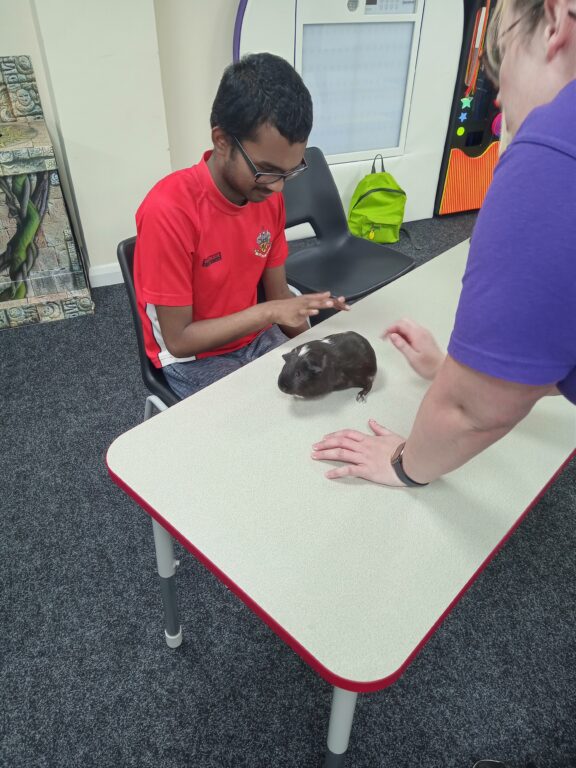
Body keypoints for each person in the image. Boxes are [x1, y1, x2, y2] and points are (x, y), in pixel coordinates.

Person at [311, 0, 576, 491]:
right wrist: (450, 369)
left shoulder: (552, 155)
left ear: (555, 21)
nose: (497, 99)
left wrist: (402, 464)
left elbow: (473, 412)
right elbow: (556, 338)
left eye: (500, 63)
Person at [134, 52, 347, 399]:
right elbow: (180, 340)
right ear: (222, 141)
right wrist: (271, 311)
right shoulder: (169, 211)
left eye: (289, 172)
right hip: (193, 358)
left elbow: (279, 295)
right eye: (266, 170)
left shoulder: (267, 197)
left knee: (320, 394)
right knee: (261, 424)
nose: (278, 187)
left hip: (257, 337)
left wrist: (316, 350)